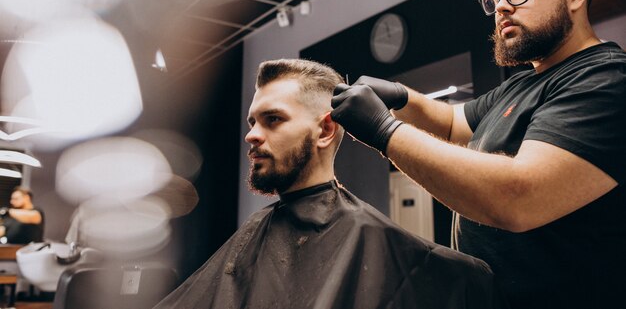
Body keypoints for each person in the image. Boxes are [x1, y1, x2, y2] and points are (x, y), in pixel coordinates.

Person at [330, 0, 626, 309]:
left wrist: (385, 130)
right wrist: (401, 97)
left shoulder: (606, 78)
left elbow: (520, 198)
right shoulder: (520, 86)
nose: (501, 6)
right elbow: (454, 124)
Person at [154, 58, 505, 309]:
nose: (251, 136)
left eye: (272, 120)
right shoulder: (255, 232)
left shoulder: (375, 242)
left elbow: (468, 281)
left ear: (324, 130)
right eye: (252, 122)